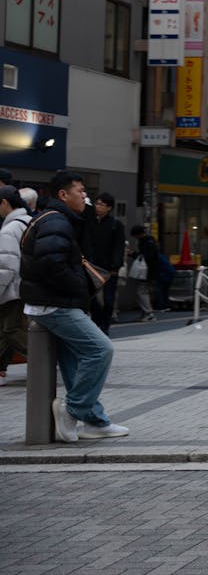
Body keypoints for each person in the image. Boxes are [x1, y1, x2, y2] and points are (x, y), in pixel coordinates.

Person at [20, 171, 128, 441]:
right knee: (100, 350)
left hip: (50, 302)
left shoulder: (61, 219)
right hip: (54, 305)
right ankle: (74, 411)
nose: (85, 197)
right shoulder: (56, 222)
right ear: (63, 195)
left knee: (73, 362)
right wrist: (79, 289)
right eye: (80, 191)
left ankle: (95, 422)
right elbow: (50, 265)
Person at [0, 185, 31, 385]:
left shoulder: (10, 229)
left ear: (4, 203)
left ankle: (50, 357)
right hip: (26, 288)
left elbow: (5, 266)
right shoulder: (28, 221)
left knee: (12, 331)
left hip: (12, 291)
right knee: (6, 331)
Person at [84, 193, 126, 335]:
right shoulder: (90, 223)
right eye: (97, 203)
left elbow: (119, 246)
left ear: (109, 208)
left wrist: (116, 265)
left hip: (109, 268)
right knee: (93, 298)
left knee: (108, 300)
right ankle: (97, 322)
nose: (98, 207)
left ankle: (105, 325)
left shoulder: (116, 225)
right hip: (92, 267)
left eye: (102, 204)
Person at [128, 225, 162, 321]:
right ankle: (145, 313)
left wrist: (133, 254)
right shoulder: (150, 241)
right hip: (149, 271)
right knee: (144, 291)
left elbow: (146, 257)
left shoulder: (147, 243)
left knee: (141, 292)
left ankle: (148, 313)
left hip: (147, 272)